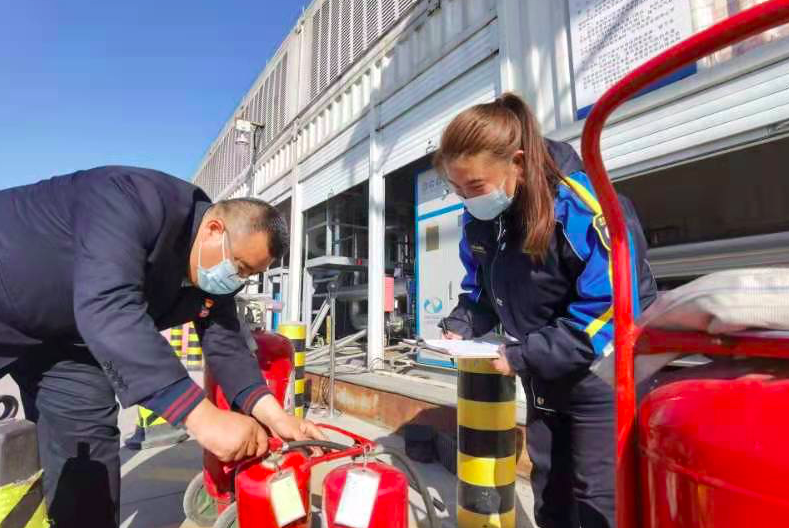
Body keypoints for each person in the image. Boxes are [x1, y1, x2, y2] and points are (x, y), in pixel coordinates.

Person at [0, 166, 326, 527]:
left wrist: (275, 416)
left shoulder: (215, 276)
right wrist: (201, 417)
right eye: (239, 267)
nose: (238, 279)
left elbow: (226, 343)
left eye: (249, 275)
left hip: (70, 343)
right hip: (9, 296)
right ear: (215, 230)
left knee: (87, 454)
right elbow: (109, 305)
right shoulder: (131, 199)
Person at [436, 93, 657, 528]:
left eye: (475, 186)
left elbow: (612, 307)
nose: (466, 199)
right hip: (543, 375)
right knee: (550, 491)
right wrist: (462, 324)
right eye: (456, 188)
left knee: (599, 500)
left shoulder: (581, 202)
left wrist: (522, 355)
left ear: (518, 162)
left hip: (603, 374)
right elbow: (481, 288)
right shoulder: (481, 218)